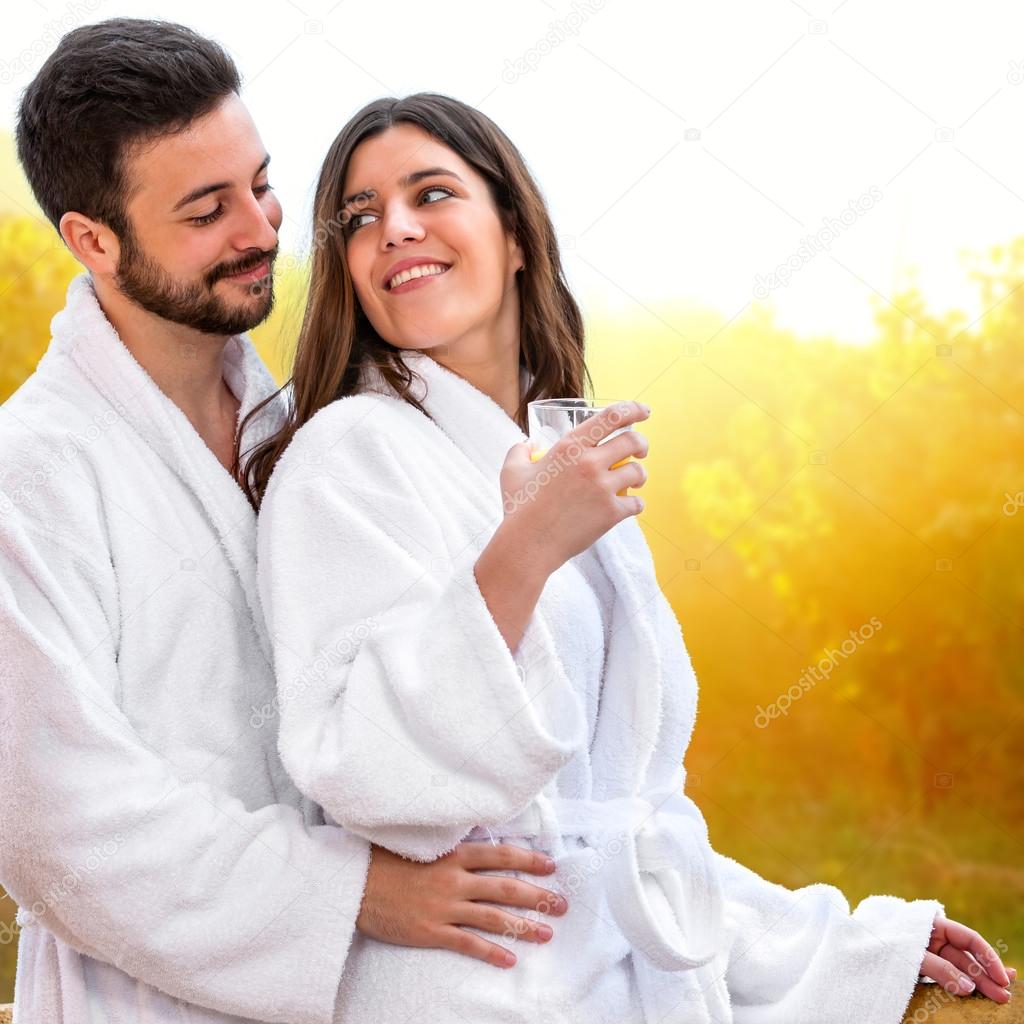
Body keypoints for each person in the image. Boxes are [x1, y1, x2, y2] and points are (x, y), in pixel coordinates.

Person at [246, 93, 1016, 1023]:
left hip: (609, 984)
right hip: (469, 988)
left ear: (516, 231)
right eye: (360, 219)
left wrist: (848, 947)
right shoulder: (346, 457)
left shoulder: (555, 460)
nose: (395, 230)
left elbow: (628, 824)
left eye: (431, 193)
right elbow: (361, 765)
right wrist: (525, 548)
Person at [0, 21, 568, 1024]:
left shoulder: (294, 427)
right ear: (92, 239)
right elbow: (59, 823)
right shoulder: (33, 472)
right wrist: (356, 893)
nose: (261, 227)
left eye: (259, 183)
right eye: (206, 210)